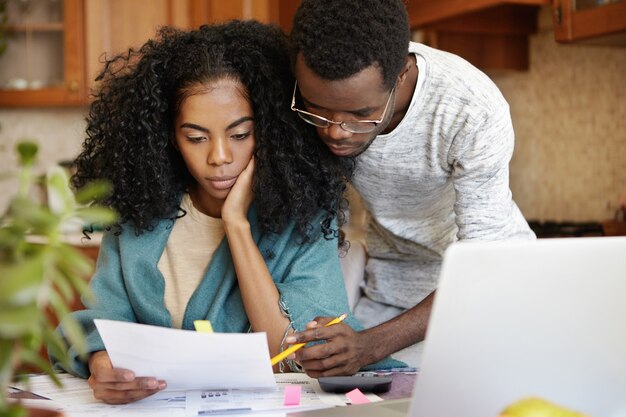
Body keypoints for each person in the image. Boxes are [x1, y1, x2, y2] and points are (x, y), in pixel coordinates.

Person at [51, 20, 400, 405]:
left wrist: (236, 225)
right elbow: (101, 322)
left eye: (239, 135)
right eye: (196, 138)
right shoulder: (139, 218)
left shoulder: (303, 220)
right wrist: (102, 364)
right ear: (170, 137)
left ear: (268, 132)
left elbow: (291, 350)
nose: (219, 157)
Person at [285, 0, 536, 375]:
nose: (335, 131)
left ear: (401, 74)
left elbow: (484, 261)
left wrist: (370, 345)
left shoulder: (470, 108)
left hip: (492, 292)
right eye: (317, 109)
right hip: (391, 288)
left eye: (360, 115)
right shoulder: (302, 94)